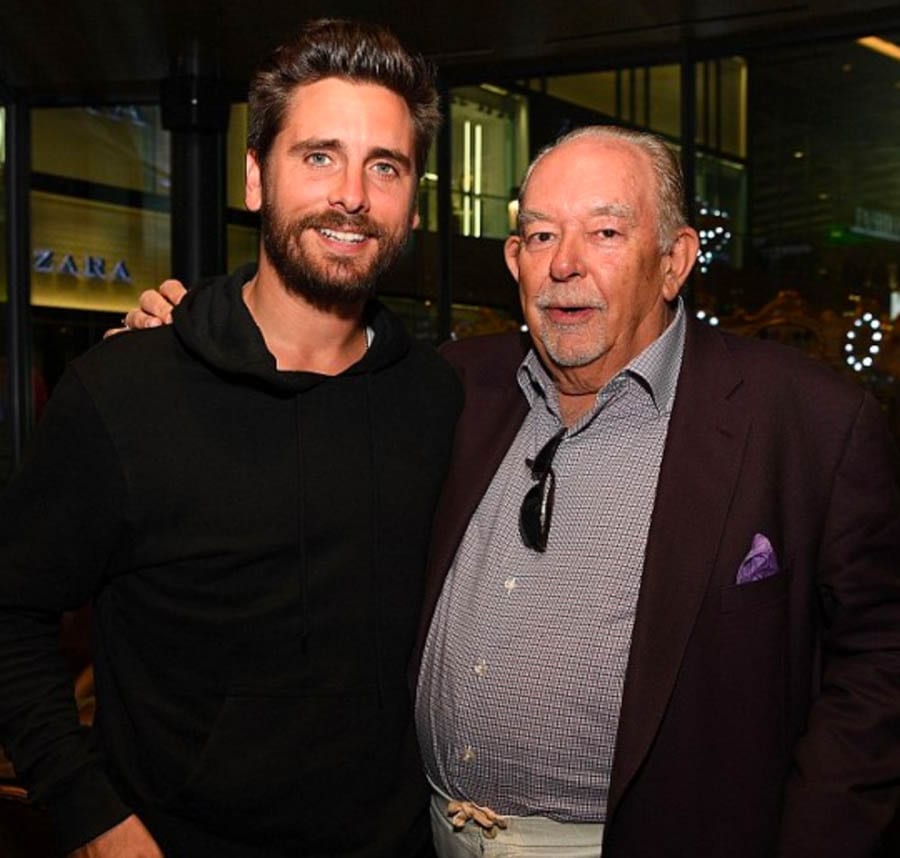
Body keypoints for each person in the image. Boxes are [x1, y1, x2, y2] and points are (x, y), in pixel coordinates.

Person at [121, 126, 900, 858]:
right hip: (422, 833)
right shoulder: (451, 387)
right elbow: (303, 419)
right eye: (541, 235)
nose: (565, 265)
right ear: (514, 259)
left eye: (605, 232)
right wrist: (182, 357)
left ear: (674, 260)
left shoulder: (809, 422)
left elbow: (880, 658)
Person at [0, 18, 461, 858]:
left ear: (414, 202)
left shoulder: (438, 400)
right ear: (255, 177)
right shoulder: (125, 390)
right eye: (318, 156)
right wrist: (91, 818)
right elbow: (11, 614)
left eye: (384, 166)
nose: (351, 195)